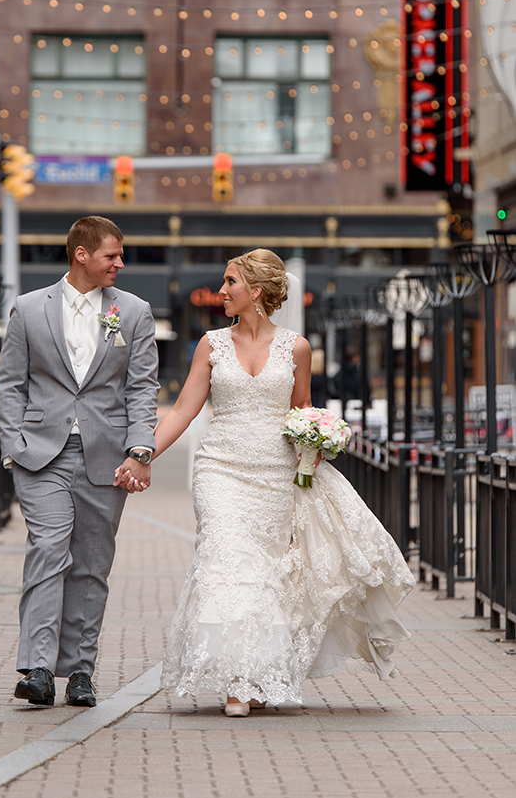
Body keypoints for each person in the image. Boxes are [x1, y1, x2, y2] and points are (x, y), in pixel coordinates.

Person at [115, 249, 414, 717]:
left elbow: (301, 412)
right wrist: (142, 453)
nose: (222, 290)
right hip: (220, 470)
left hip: (275, 476)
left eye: (230, 281)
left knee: (265, 575)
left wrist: (315, 446)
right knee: (224, 559)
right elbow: (181, 410)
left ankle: (252, 674)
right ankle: (235, 680)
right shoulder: (209, 345)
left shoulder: (296, 347)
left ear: (254, 291)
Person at [0, 216, 159, 708]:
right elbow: (10, 383)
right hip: (40, 455)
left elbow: (142, 388)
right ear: (82, 254)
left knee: (91, 565)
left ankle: (80, 671)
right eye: (112, 255)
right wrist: (14, 446)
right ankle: (40, 669)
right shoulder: (28, 309)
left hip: (106, 457)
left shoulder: (133, 312)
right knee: (48, 550)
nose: (120, 263)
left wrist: (140, 449)